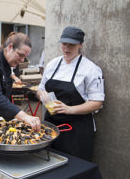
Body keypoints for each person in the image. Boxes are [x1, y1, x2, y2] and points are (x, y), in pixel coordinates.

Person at [37, 26, 105, 161]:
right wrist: (41, 95)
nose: (66, 48)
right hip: (51, 126)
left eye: (71, 45)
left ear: (80, 45)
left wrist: (69, 109)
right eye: (64, 44)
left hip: (77, 130)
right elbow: (40, 88)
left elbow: (97, 103)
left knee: (74, 167)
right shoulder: (52, 64)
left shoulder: (91, 69)